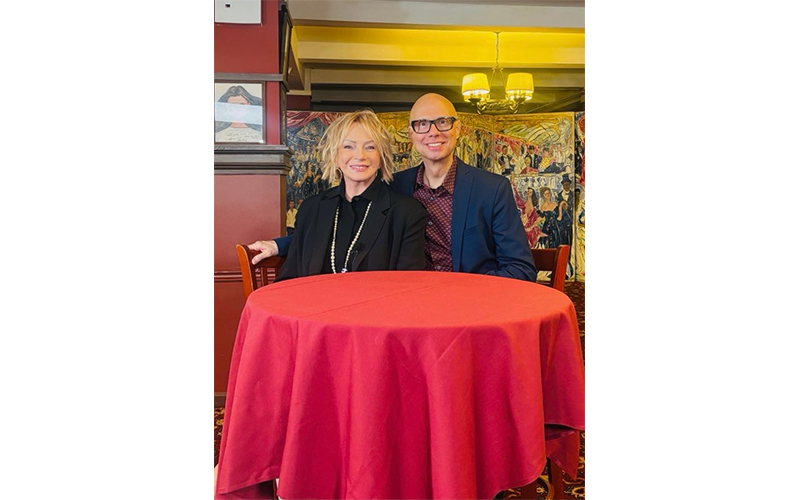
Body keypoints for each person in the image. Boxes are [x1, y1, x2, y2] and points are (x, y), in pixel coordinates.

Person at [252, 93, 536, 282]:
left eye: (443, 122)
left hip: (469, 301)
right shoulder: (396, 186)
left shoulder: (492, 189)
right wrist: (281, 244)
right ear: (411, 134)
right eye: (422, 124)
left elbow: (521, 267)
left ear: (458, 129)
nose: (433, 132)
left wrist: (466, 293)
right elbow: (340, 219)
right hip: (415, 299)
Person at [261, 109, 427, 281]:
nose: (360, 156)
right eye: (348, 146)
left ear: (382, 156)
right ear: (335, 154)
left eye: (370, 147)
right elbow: (289, 280)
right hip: (313, 306)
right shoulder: (311, 209)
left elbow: (408, 287)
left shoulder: (408, 213)